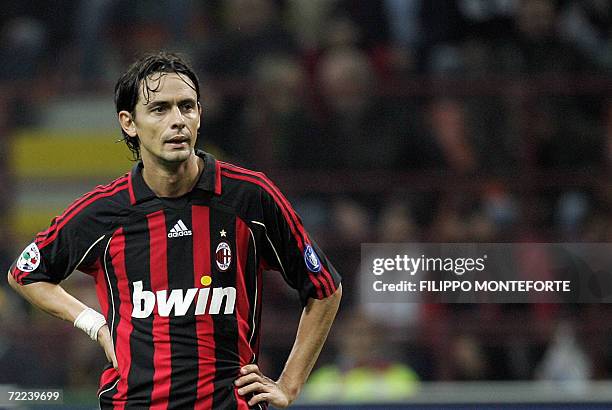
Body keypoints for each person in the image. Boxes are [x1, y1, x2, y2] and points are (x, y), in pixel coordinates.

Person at [7, 52, 342, 409]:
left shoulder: (249, 197)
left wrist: (290, 384)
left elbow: (324, 288)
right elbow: (25, 273)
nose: (178, 121)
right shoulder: (105, 212)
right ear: (129, 123)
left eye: (187, 107)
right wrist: (95, 325)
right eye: (160, 109)